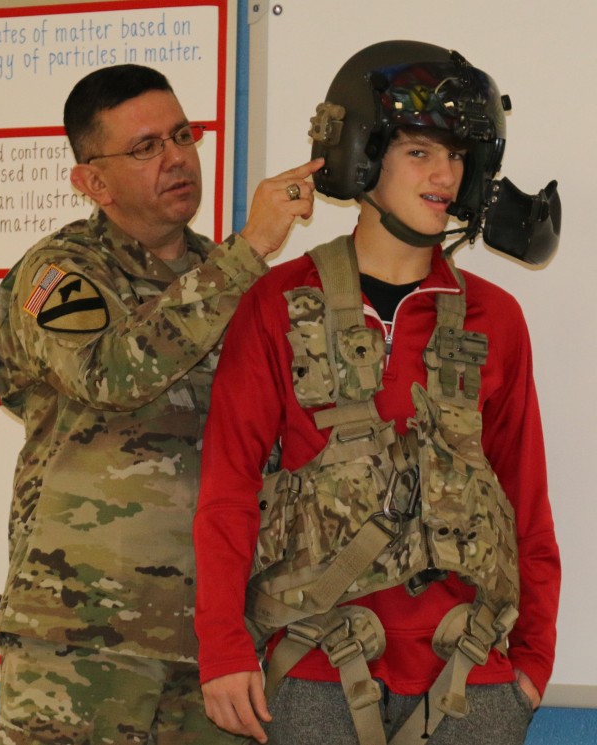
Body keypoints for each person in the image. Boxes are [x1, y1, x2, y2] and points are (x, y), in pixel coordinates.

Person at [193, 41, 562, 745]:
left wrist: (534, 661)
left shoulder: (496, 319)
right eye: (421, 152)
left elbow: (527, 500)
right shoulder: (277, 302)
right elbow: (229, 487)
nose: (446, 175)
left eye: (457, 155)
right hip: (314, 664)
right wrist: (223, 645)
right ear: (365, 155)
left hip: (471, 669)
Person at [0, 63, 322, 745]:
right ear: (92, 179)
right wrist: (251, 247)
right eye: (146, 147)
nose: (176, 158)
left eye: (181, 135)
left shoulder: (233, 279)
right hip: (82, 639)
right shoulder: (58, 272)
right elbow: (114, 371)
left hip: (213, 640)